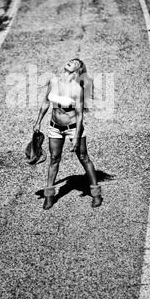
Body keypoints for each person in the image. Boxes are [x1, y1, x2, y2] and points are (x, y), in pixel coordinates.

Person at [33, 59, 103, 210]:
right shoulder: (53, 81)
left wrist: (76, 137)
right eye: (71, 60)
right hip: (54, 127)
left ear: (77, 71)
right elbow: (46, 102)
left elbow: (79, 115)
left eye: (75, 63)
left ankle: (96, 193)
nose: (71, 62)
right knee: (54, 159)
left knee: (84, 158)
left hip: (73, 128)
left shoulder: (77, 89)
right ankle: (49, 195)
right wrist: (38, 121)